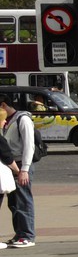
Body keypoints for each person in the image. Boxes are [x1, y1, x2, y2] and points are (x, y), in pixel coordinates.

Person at [0, 97, 37, 248]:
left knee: (23, 200)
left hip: (21, 164)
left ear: (3, 105)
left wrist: (24, 169)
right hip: (11, 164)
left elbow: (29, 145)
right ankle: (19, 234)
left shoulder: (22, 119)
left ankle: (27, 235)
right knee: (14, 202)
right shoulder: (5, 119)